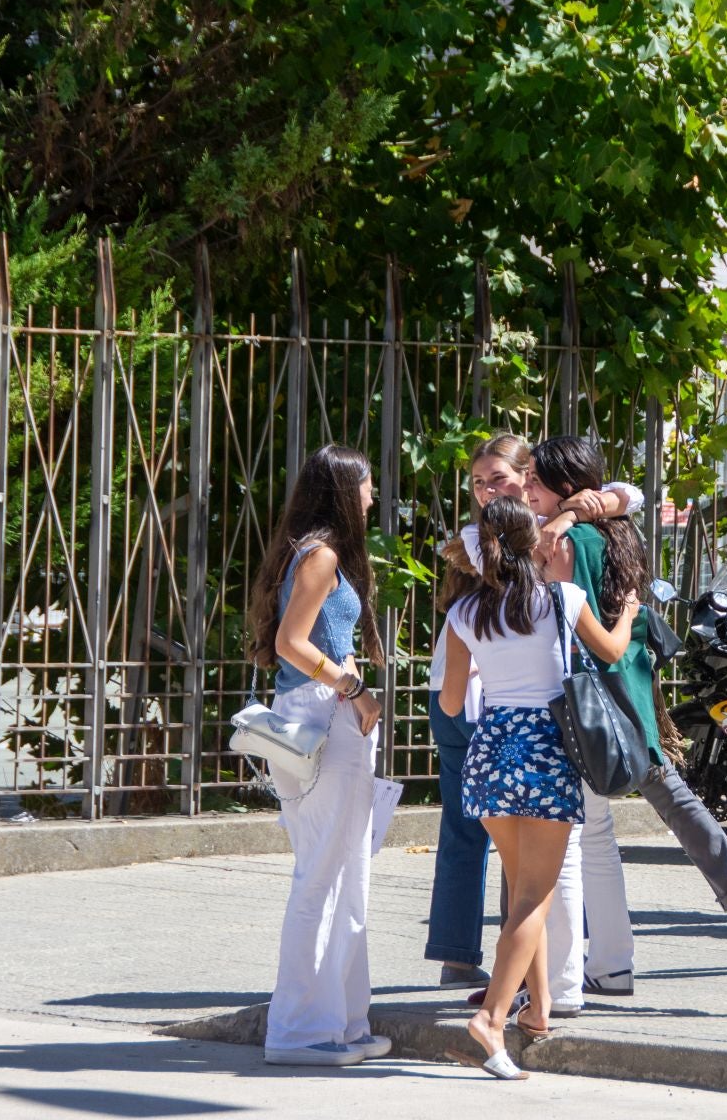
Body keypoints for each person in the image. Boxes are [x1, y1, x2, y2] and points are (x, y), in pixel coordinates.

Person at [523, 438, 727, 1001]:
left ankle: (549, 977)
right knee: (664, 791)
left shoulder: (564, 544)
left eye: (535, 482)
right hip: (631, 689)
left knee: (573, 840)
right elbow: (628, 499)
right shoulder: (618, 534)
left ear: (565, 487)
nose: (525, 490)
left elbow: (566, 624)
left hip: (585, 694)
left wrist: (558, 530)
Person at [425, 435, 641, 992]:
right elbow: (611, 648)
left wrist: (578, 509)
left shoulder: (467, 605)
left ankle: (536, 998)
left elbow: (628, 494)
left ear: (529, 480)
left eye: (496, 479)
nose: (485, 491)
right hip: (541, 739)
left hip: (488, 733)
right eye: (478, 483)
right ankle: (498, 1007)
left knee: (517, 873)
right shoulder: (554, 590)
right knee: (532, 886)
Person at [250, 445, 389, 1068]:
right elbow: (291, 642)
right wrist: (352, 687)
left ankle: (338, 1021)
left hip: (319, 714)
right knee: (325, 876)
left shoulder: (309, 549)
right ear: (343, 490)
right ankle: (299, 1027)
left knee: (341, 871)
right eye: (366, 486)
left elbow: (308, 642)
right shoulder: (323, 553)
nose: (373, 496)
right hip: (323, 718)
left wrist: (349, 680)